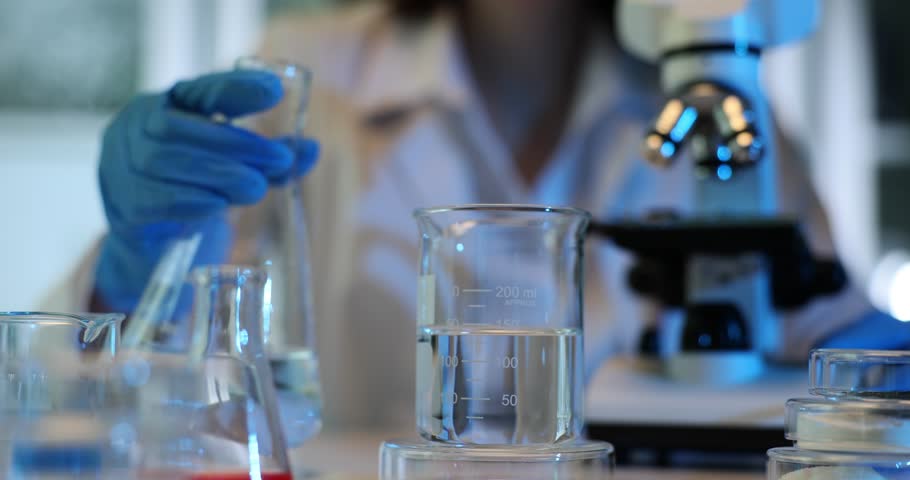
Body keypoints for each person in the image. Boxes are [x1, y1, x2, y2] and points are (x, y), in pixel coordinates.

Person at [50, 0, 910, 431]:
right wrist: (131, 278)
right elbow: (96, 397)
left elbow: (833, 342)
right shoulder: (302, 77)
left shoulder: (731, 103)